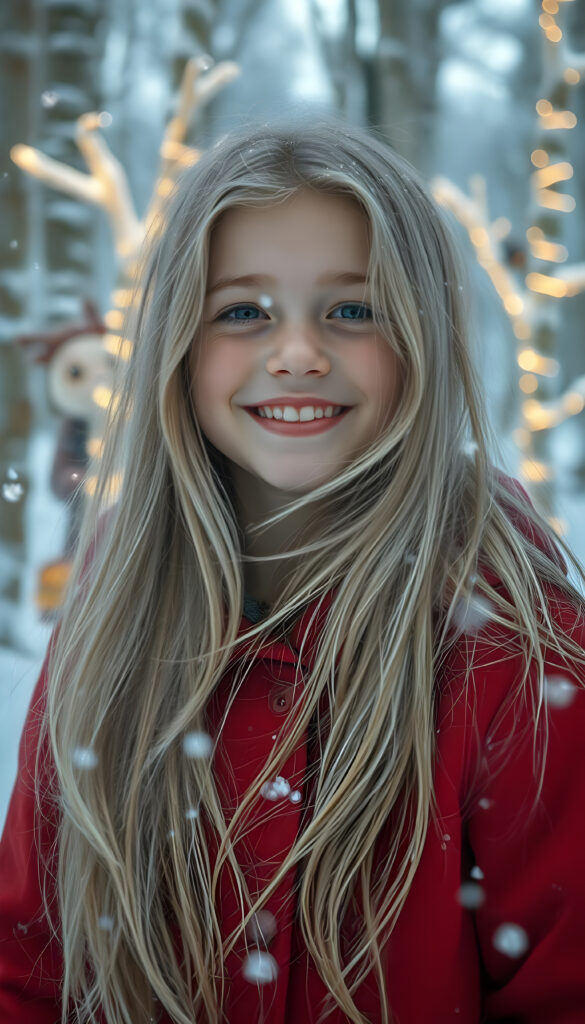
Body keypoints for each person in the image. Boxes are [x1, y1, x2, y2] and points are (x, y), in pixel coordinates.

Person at [1, 115, 584, 1024]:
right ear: (179, 346)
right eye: (243, 311)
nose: (298, 351)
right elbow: (29, 966)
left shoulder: (510, 632)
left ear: (422, 336)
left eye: (351, 310)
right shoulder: (120, 594)